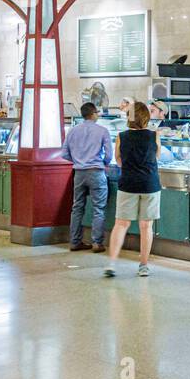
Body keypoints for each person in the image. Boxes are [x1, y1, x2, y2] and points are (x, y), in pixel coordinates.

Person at [105, 102, 161, 278]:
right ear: (146, 117)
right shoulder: (154, 135)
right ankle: (143, 266)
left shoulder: (121, 136)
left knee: (121, 224)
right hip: (149, 184)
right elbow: (156, 156)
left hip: (127, 183)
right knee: (146, 226)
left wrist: (130, 168)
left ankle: (112, 264)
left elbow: (118, 159)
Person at [61, 101, 112, 252]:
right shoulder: (102, 130)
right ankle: (97, 243)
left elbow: (64, 153)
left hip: (79, 173)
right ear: (93, 113)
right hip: (96, 172)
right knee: (99, 208)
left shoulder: (73, 130)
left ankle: (75, 241)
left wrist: (77, 160)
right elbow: (108, 155)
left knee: (77, 207)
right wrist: (103, 162)